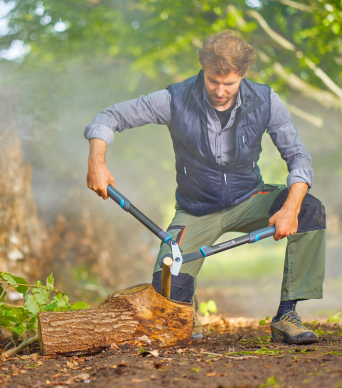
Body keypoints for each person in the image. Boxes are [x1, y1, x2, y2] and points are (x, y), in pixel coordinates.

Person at [84, 31, 326, 345]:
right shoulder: (174, 99)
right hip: (196, 208)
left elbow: (298, 158)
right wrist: (97, 161)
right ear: (203, 69)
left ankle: (287, 314)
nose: (221, 91)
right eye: (214, 81)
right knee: (167, 289)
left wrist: (290, 209)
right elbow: (110, 116)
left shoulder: (266, 101)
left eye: (230, 83)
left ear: (243, 74)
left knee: (309, 208)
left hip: (249, 198)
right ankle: (187, 306)